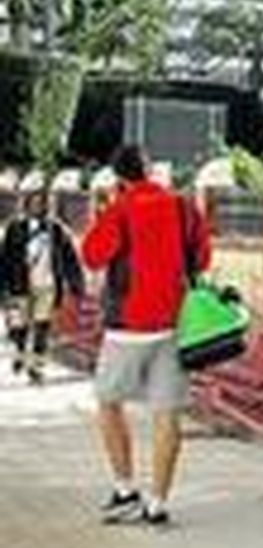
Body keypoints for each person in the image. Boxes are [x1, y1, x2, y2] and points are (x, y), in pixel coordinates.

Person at [81, 145, 211, 527]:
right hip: (175, 327)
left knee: (108, 403)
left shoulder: (119, 210)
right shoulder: (183, 206)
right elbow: (201, 259)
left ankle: (125, 490)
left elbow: (92, 255)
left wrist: (106, 212)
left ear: (120, 177)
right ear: (150, 170)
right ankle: (157, 503)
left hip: (127, 329)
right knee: (166, 415)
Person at [1, 189, 84, 384]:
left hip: (47, 284)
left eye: (42, 203)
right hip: (18, 285)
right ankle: (20, 351)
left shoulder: (55, 229)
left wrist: (75, 282)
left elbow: (69, 257)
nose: (38, 207)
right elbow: (4, 259)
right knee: (18, 326)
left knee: (42, 326)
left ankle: (36, 367)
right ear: (27, 205)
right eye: (34, 203)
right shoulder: (15, 228)